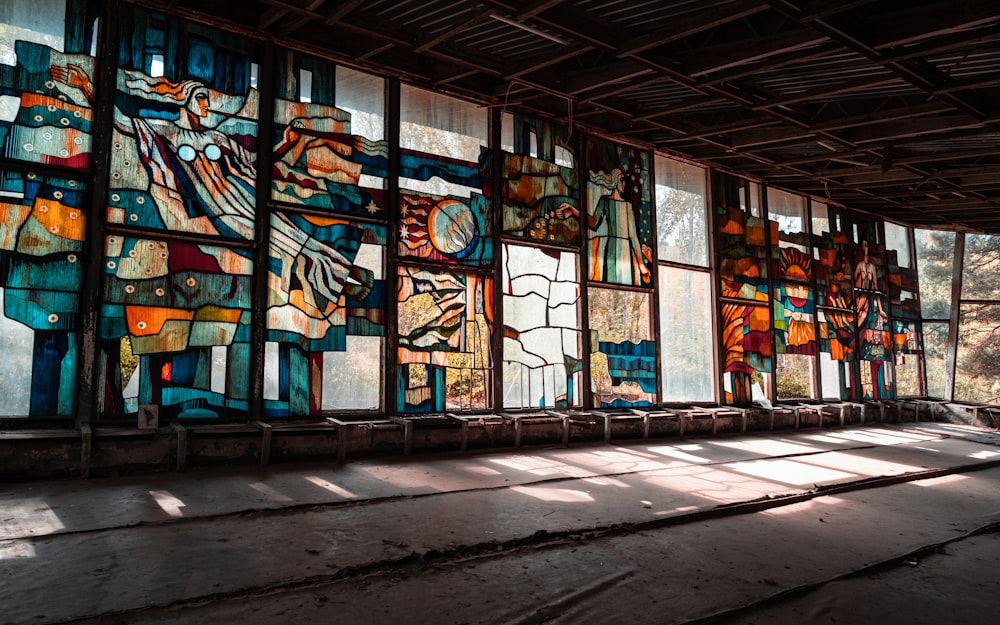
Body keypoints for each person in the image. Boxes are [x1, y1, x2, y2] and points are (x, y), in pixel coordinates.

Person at [51, 64, 371, 323]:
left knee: (295, 235)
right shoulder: (168, 131)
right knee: (283, 246)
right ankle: (334, 283)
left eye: (206, 99)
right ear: (186, 100)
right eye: (201, 98)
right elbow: (120, 122)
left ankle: (350, 277)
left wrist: (288, 141)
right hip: (220, 209)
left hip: (246, 199)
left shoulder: (219, 137)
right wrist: (85, 87)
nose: (207, 104)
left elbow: (260, 162)